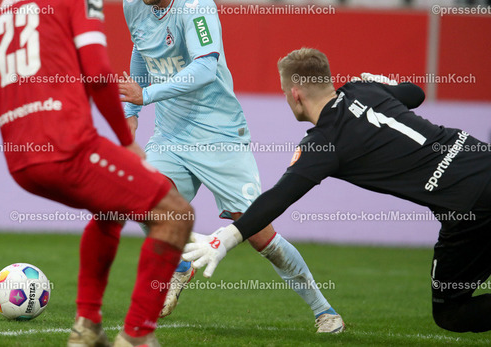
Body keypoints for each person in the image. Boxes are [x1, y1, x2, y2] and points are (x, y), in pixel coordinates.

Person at [117, 0, 344, 333]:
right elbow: (140, 50)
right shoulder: (133, 4)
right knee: (145, 203)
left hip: (218, 136)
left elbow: (205, 68)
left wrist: (145, 96)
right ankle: (181, 262)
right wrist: (131, 110)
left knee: (259, 234)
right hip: (170, 136)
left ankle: (323, 309)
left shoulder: (196, 4)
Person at [184, 47, 491, 333]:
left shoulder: (324, 143)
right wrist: (387, 84)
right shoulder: (362, 89)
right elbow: (415, 94)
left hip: (468, 205)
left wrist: (226, 238)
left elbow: (278, 197)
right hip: (481, 158)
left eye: (284, 92)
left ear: (295, 94)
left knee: (451, 312)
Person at [0, 0, 194, 346]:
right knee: (175, 215)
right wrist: (126, 140)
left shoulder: (7, 5)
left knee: (110, 209)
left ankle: (87, 327)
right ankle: (137, 336)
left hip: (19, 159)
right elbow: (99, 73)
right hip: (66, 147)